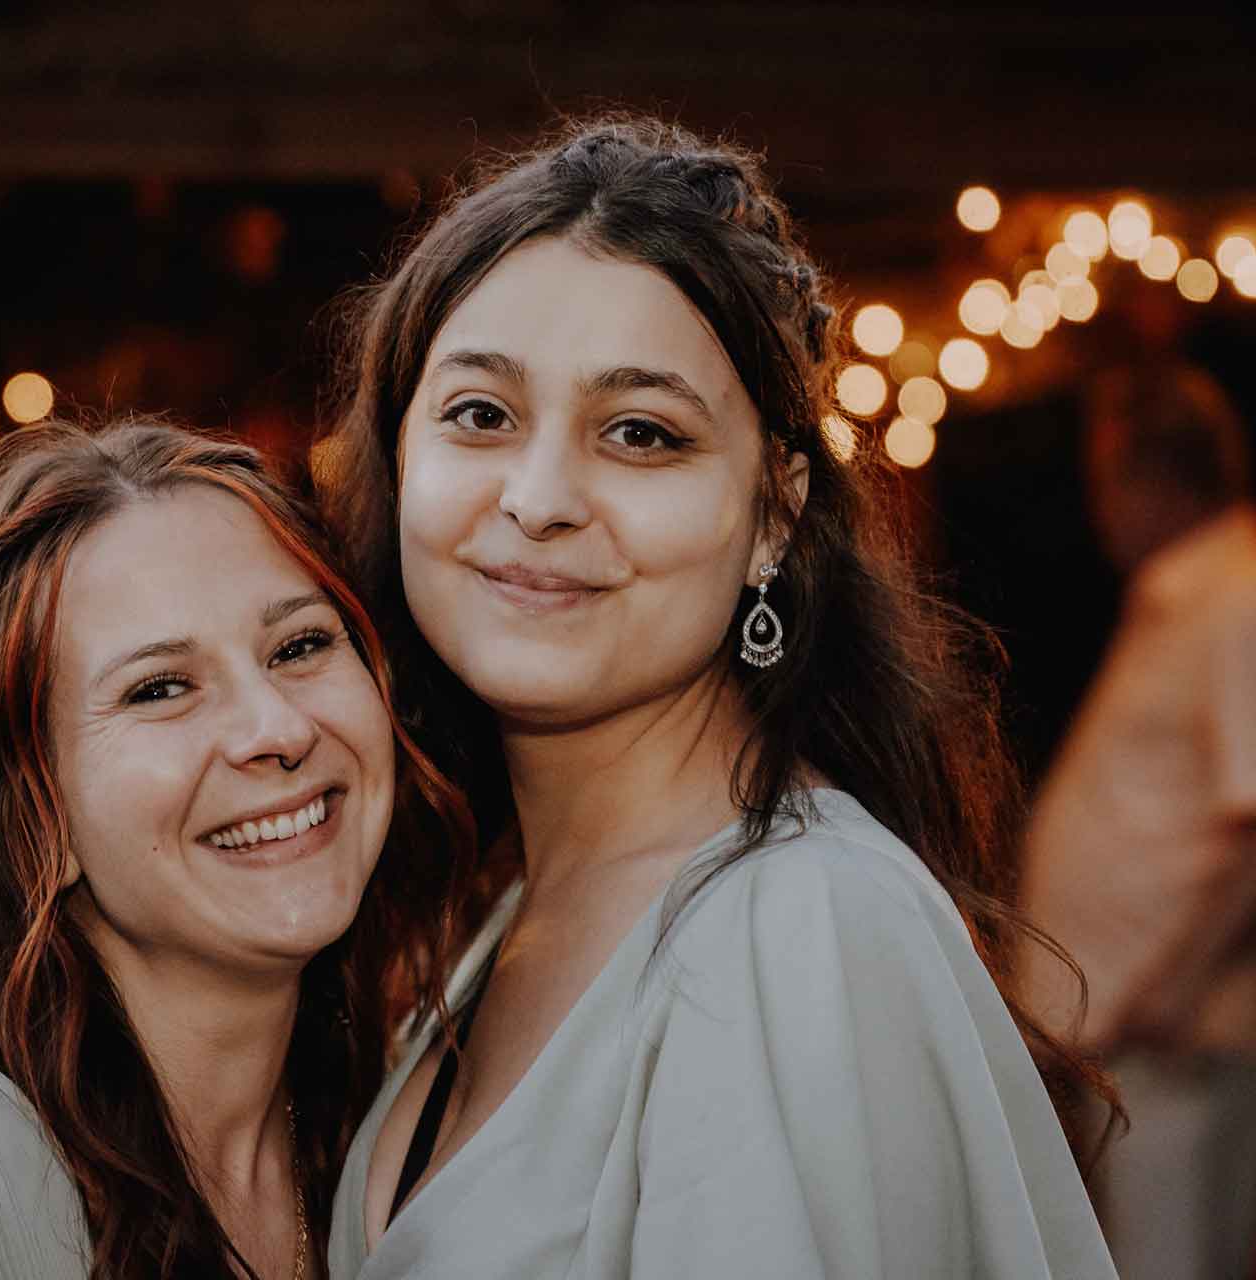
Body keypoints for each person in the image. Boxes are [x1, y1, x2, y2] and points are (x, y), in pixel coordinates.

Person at [312, 116, 1118, 1278]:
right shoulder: (507, 919)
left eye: (640, 433)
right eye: (481, 414)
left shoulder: (795, 931)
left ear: (774, 512)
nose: (538, 498)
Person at [0, 418, 474, 1280]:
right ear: (37, 820)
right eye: (161, 688)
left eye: (299, 645)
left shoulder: (382, 1154)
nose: (278, 728)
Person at [1016, 365, 1256, 1280]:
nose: (1101, 511)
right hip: (1149, 1041)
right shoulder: (1184, 602)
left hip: (1186, 1038)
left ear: (1150, 477)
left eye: (1105, 483)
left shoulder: (1244, 604)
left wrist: (1169, 994)